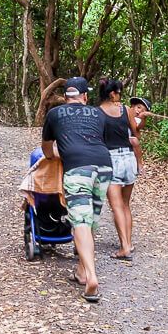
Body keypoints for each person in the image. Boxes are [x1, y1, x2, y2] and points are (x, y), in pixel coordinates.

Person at [41, 76, 113, 302]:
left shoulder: (54, 114)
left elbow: (47, 149)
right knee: (91, 219)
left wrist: (57, 156)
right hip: (104, 165)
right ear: (85, 96)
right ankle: (82, 271)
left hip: (77, 168)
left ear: (66, 96)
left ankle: (91, 277)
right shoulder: (99, 113)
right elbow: (99, 140)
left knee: (80, 221)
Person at [97, 78, 140, 260]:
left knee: (116, 207)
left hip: (111, 159)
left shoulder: (98, 112)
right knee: (125, 205)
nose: (120, 96)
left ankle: (124, 247)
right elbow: (135, 134)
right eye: (119, 92)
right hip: (129, 159)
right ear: (112, 93)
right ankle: (128, 243)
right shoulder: (127, 111)